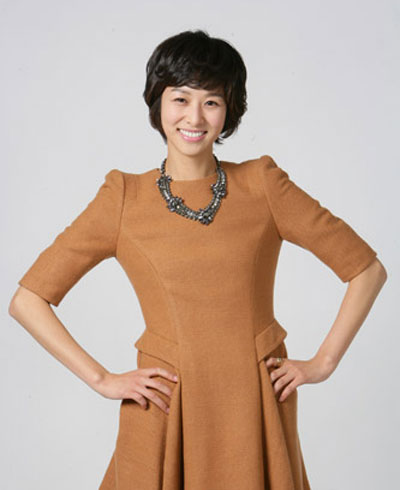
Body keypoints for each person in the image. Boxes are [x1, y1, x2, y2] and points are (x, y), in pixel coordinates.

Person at [9, 29, 387, 490]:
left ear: (229, 111)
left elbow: (366, 269)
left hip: (253, 406)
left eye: (211, 101)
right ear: (158, 103)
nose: (194, 116)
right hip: (164, 407)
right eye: (180, 99)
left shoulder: (263, 184)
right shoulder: (123, 197)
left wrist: (323, 363)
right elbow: (28, 300)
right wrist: (103, 379)